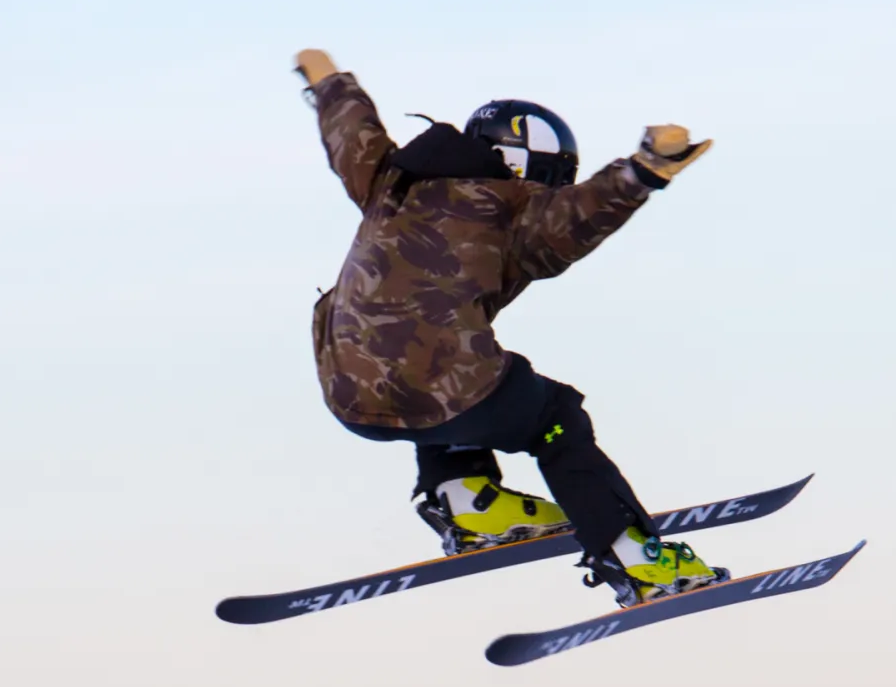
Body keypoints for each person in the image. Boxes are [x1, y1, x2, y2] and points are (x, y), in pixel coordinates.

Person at [294, 48, 723, 607]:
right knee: (555, 418)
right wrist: (644, 170)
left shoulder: (390, 179)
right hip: (445, 381)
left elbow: (352, 133)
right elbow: (583, 212)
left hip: (349, 389)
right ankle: (640, 559)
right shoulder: (519, 208)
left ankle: (468, 499)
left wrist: (329, 82)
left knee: (448, 394)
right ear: (529, 167)